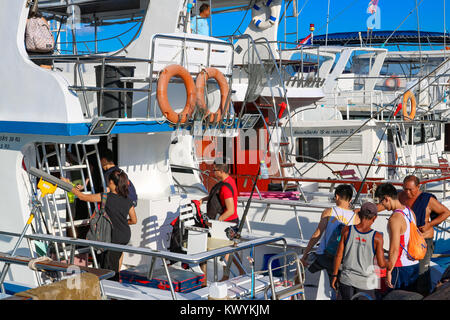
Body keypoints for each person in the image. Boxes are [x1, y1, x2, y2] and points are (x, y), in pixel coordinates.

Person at [63, 169, 137, 281]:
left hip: (113, 238)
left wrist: (68, 185)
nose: (107, 183)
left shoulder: (105, 197)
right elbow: (134, 220)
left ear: (112, 183)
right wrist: (121, 222)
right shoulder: (128, 200)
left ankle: (111, 290)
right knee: (115, 262)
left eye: (108, 181)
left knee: (109, 270)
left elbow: (82, 197)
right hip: (124, 236)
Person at [398, 175, 450, 295]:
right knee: (409, 272)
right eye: (405, 189)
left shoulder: (428, 200)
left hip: (423, 241)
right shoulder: (401, 197)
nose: (407, 192)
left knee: (422, 275)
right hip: (407, 241)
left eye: (411, 189)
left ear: (418, 187)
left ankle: (424, 296)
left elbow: (446, 212)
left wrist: (430, 225)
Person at [300, 184, 359, 284]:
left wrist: (305, 255)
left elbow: (317, 235)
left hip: (323, 256)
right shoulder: (356, 218)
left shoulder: (328, 212)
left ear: (336, 197)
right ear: (350, 199)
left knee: (310, 283)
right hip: (341, 260)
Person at [199, 159, 245, 281]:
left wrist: (217, 221)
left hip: (227, 224)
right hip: (230, 222)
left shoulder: (225, 187)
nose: (213, 172)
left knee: (227, 252)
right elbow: (217, 195)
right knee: (231, 250)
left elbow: (230, 209)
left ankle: (228, 275)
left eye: (214, 170)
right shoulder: (228, 181)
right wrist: (203, 200)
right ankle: (238, 272)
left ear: (220, 171)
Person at [331, 202, 386, 300]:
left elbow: (338, 255)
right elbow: (381, 264)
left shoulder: (347, 230)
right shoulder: (377, 237)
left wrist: (335, 275)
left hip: (346, 280)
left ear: (359, 215)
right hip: (366, 284)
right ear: (375, 217)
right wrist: (391, 263)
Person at [375, 183, 419, 292]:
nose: (383, 206)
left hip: (400, 266)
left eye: (381, 202)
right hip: (414, 264)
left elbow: (394, 249)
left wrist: (389, 271)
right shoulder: (410, 212)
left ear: (386, 198)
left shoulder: (395, 218)